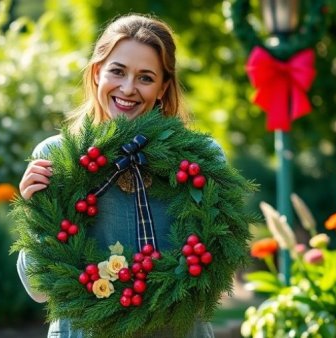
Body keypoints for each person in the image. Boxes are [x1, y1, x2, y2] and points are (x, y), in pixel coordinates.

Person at [17, 13, 219, 338]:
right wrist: (37, 212)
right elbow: (39, 289)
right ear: (97, 72)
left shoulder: (198, 161)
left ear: (163, 86)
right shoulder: (55, 159)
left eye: (145, 77)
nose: (128, 88)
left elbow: (217, 273)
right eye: (117, 71)